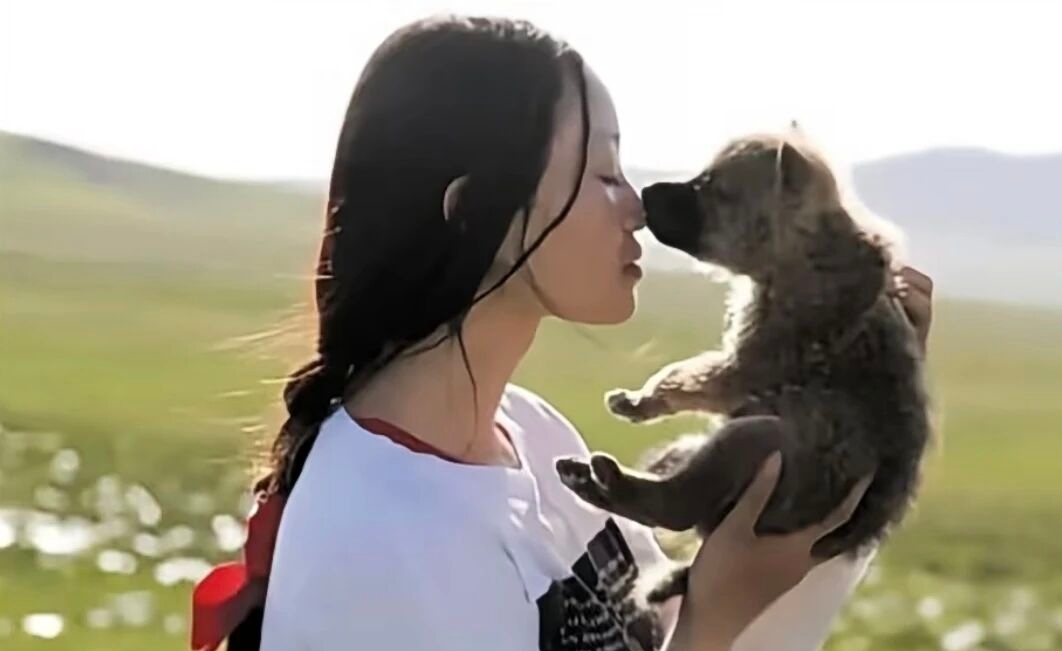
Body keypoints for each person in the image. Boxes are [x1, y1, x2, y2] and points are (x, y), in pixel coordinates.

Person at [189, 15, 934, 651]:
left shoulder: (533, 438)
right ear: (476, 211)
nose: (637, 207)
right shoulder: (381, 543)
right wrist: (715, 616)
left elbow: (723, 619)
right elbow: (711, 625)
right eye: (603, 172)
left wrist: (855, 430)